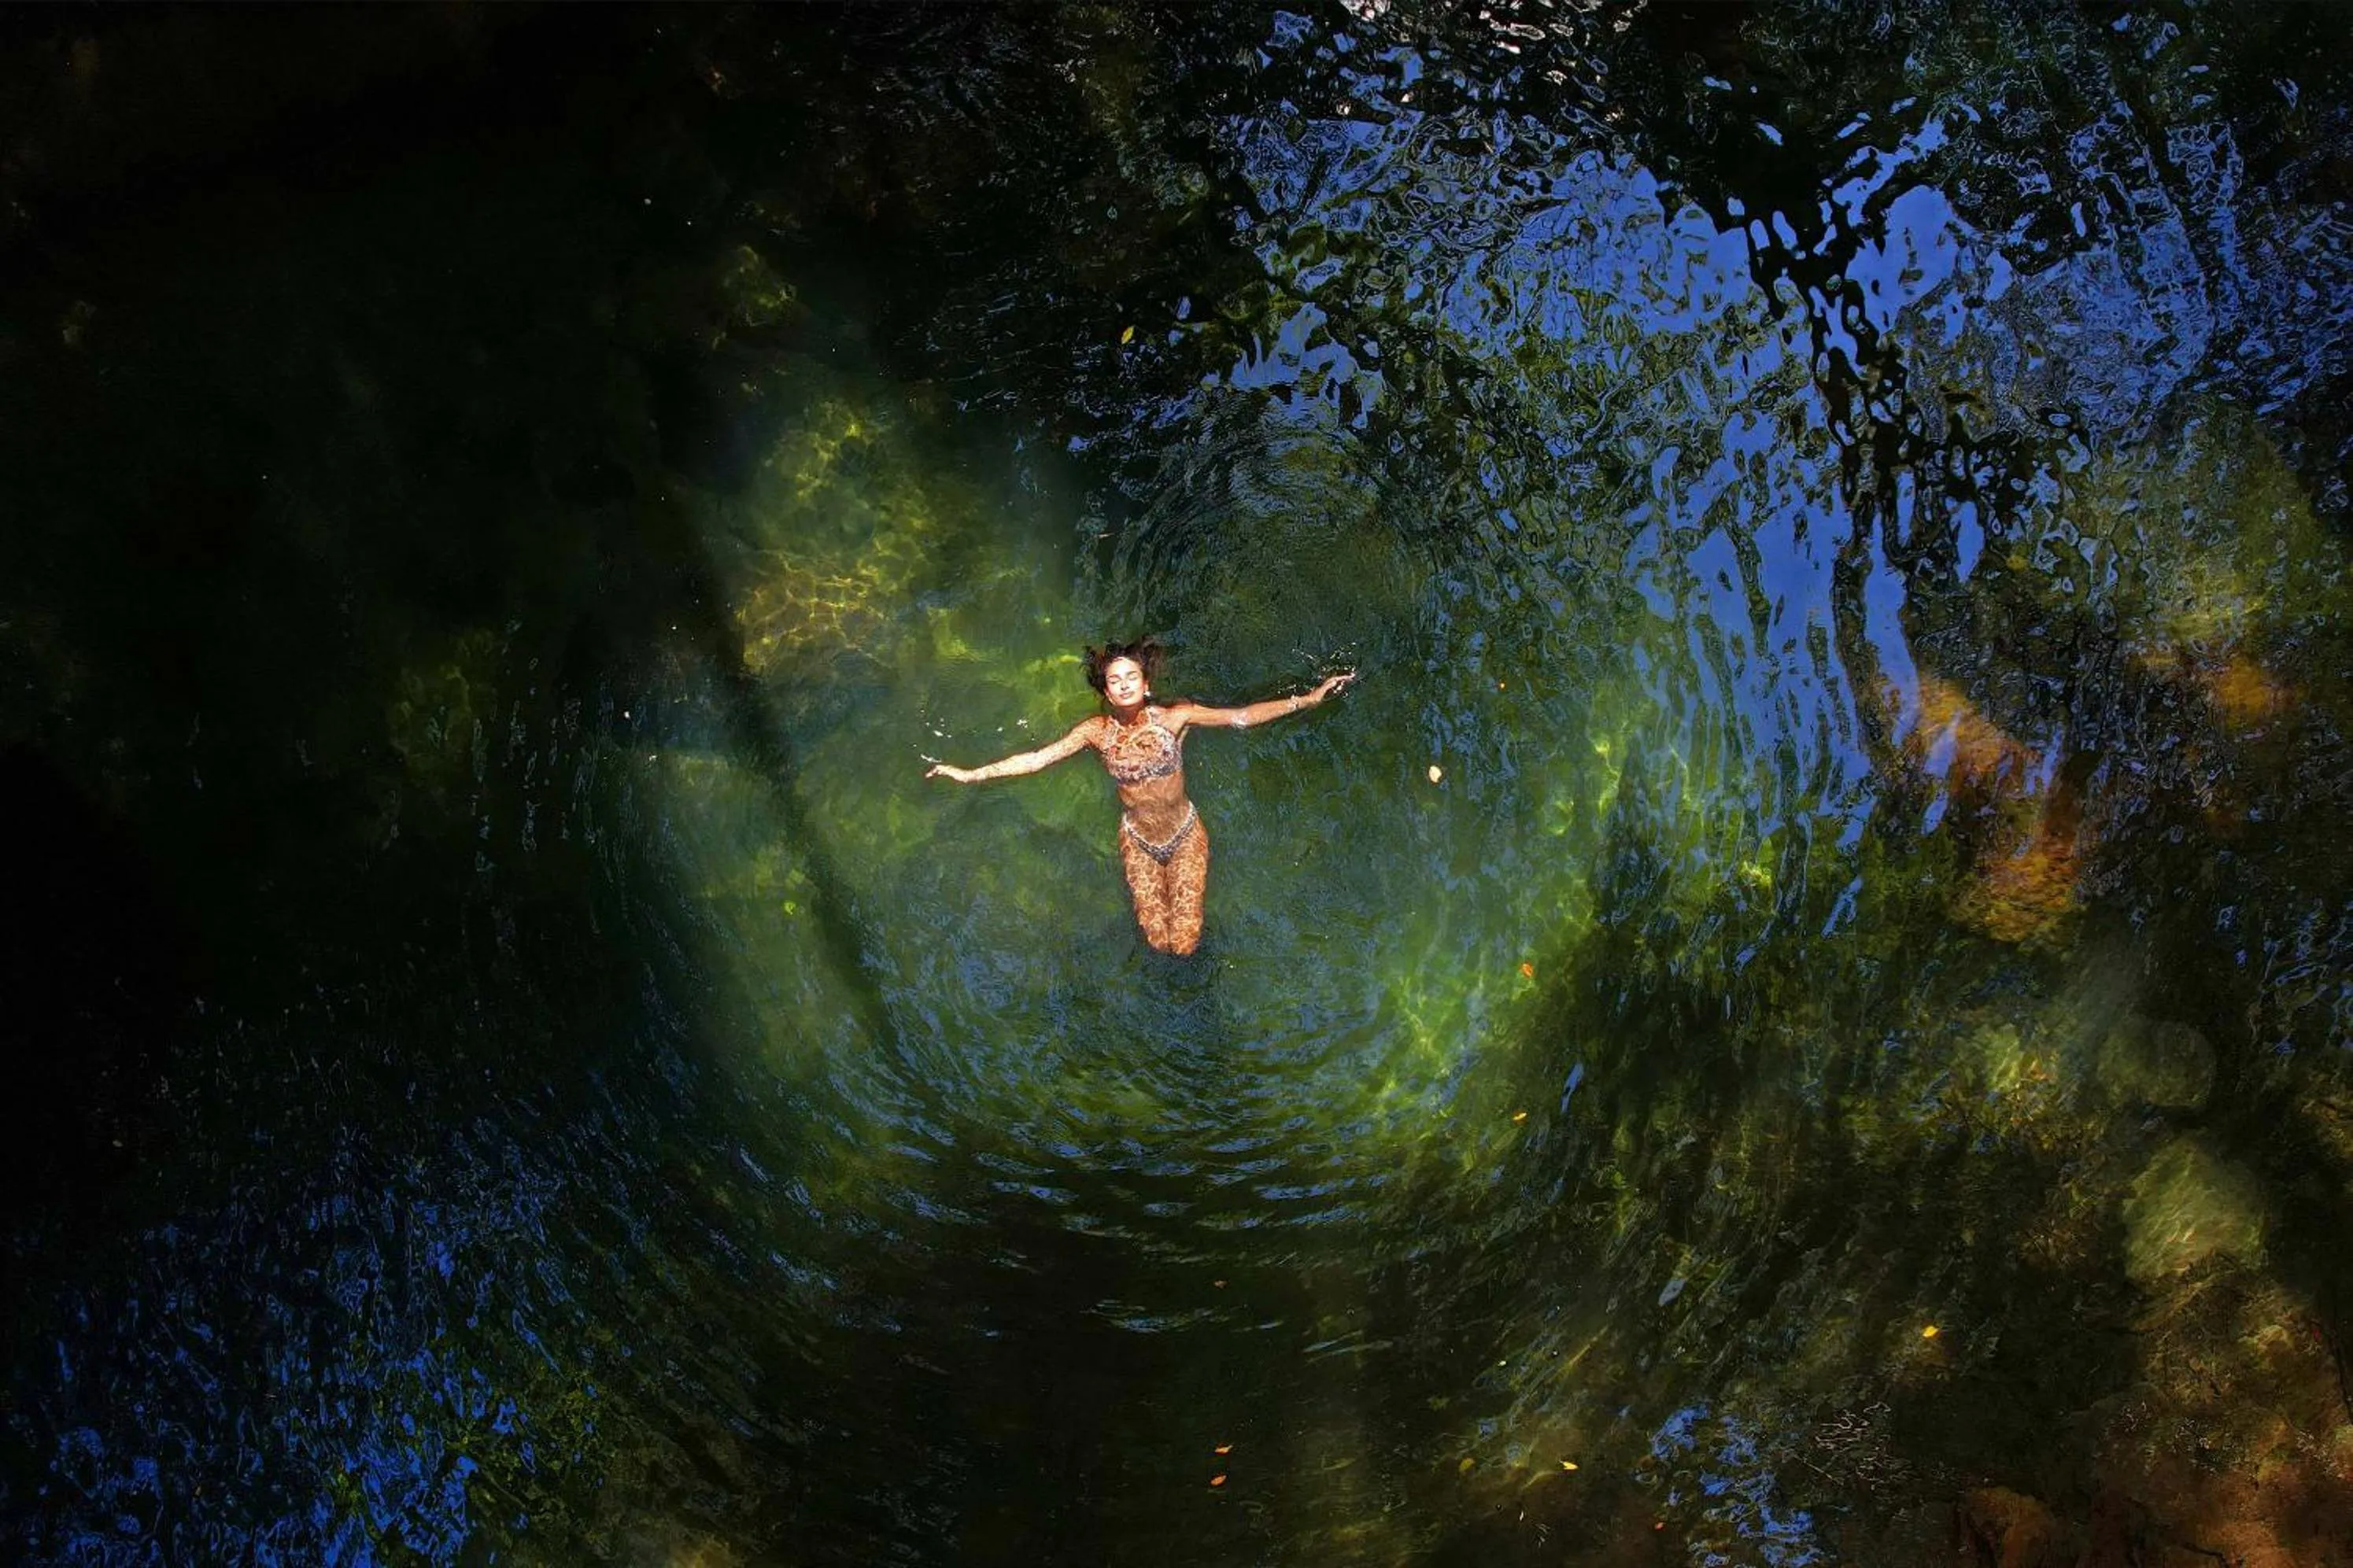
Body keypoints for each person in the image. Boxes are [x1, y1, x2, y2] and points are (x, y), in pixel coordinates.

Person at [925, 639, 1356, 955]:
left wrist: (1308, 700)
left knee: (1184, 943)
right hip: (1138, 841)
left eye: (1132, 677)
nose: (1125, 685)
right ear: (1106, 691)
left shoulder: (1175, 717)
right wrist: (969, 774)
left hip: (1185, 834)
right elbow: (1038, 758)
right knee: (1157, 941)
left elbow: (1240, 717)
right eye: (1116, 680)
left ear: (1146, 683)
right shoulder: (1096, 732)